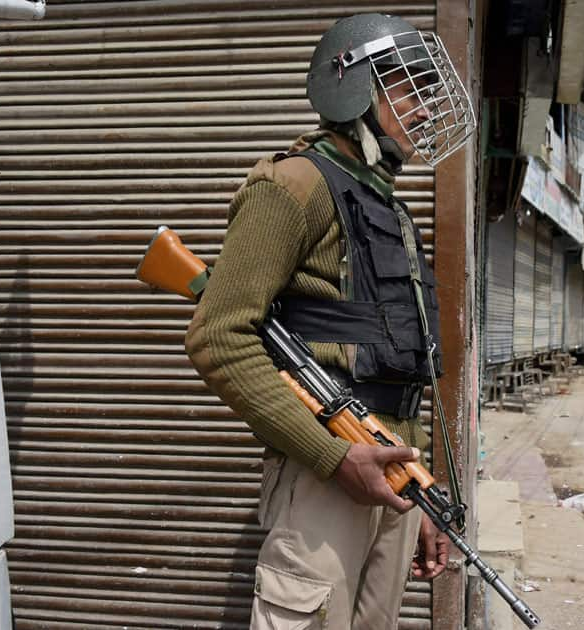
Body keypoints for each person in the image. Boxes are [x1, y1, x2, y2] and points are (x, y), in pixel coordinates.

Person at [184, 13, 475, 629]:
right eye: (406, 88)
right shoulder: (292, 186)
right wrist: (333, 456)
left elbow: (397, 372)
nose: (423, 111)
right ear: (353, 87)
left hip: (389, 478)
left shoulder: (389, 208)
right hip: (324, 478)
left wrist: (419, 493)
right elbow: (219, 336)